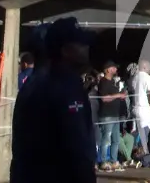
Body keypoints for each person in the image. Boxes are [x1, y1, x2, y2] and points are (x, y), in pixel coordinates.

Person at [10, 17, 97, 183]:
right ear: (65, 51)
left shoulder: (34, 83)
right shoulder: (64, 85)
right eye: (80, 44)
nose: (86, 48)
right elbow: (76, 148)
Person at [96, 61, 128, 172]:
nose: (115, 69)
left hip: (115, 115)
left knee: (116, 140)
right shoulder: (103, 82)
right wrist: (118, 95)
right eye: (113, 67)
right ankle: (103, 162)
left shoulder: (113, 83)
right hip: (107, 115)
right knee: (106, 140)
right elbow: (104, 98)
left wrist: (121, 96)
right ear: (108, 69)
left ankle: (114, 161)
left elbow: (114, 97)